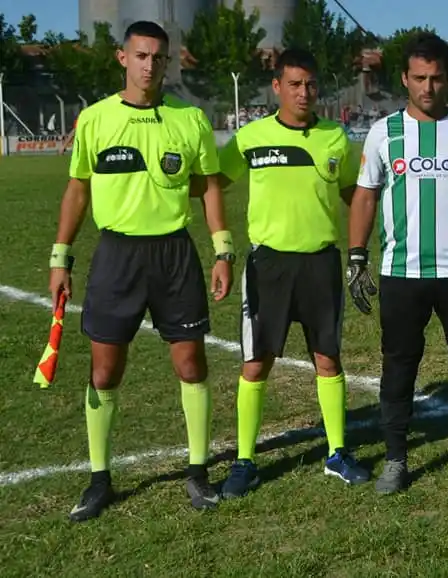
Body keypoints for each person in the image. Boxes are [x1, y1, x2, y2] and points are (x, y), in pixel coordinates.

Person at [48, 21, 232, 522]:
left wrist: (222, 250)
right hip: (116, 256)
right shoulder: (95, 120)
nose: (151, 66)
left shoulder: (189, 119)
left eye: (160, 58)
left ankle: (197, 471)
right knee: (105, 369)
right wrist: (60, 257)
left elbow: (210, 185)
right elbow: (78, 190)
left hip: (175, 255)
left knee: (191, 363)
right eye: (142, 55)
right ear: (122, 58)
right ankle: (99, 479)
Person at [206, 49, 369, 499]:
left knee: (328, 358)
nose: (304, 92)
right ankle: (244, 461)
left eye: (311, 85)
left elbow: (355, 194)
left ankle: (337, 453)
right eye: (294, 84)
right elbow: (216, 182)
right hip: (268, 266)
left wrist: (365, 243)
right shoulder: (251, 138)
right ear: (276, 86)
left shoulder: (335, 137)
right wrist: (219, 243)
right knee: (256, 363)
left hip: (320, 263)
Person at [346, 31, 448, 495]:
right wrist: (356, 257)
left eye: (436, 78)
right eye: (419, 78)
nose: (428, 88)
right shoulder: (383, 132)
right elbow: (365, 197)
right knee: (398, 367)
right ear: (404, 78)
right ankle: (395, 458)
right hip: (402, 273)